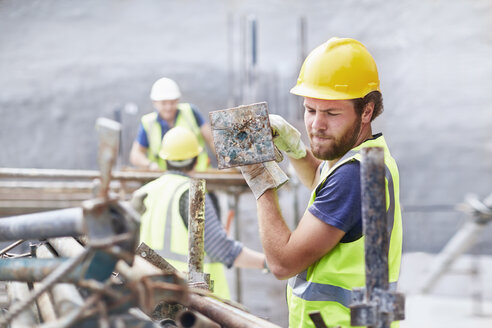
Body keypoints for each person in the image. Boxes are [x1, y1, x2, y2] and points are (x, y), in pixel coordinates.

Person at [239, 37, 403, 327]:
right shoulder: (370, 158)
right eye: (310, 110)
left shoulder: (354, 176)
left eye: (331, 113)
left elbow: (282, 263)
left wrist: (260, 178)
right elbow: (321, 179)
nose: (316, 125)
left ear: (366, 110)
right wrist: (295, 148)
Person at [134, 126, 266, 300]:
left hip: (150, 298)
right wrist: (267, 262)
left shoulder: (142, 192)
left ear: (163, 160)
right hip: (190, 303)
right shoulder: (192, 194)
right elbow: (221, 249)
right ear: (196, 160)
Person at [129, 77, 215, 171]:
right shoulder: (148, 123)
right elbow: (135, 155)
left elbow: (212, 140)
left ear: (178, 100)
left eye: (172, 102)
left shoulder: (190, 112)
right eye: (164, 103)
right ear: (155, 103)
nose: (168, 107)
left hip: (198, 176)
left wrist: (227, 162)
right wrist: (150, 165)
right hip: (165, 179)